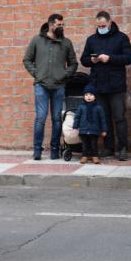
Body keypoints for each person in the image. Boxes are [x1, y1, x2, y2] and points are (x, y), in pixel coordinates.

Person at [23, 13, 78, 160]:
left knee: (57, 119)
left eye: (62, 25)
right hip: (41, 85)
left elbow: (73, 63)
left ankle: (55, 150)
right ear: (50, 25)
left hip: (59, 86)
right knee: (40, 118)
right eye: (58, 25)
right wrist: (37, 73)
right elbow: (27, 59)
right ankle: (37, 150)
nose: (61, 27)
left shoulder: (66, 43)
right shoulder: (37, 40)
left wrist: (65, 74)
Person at [81, 11, 131, 161]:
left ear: (110, 22)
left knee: (119, 117)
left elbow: (128, 58)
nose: (101, 27)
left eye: (103, 25)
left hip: (116, 86)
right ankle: (108, 147)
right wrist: (92, 61)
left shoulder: (121, 38)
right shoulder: (91, 40)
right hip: (98, 85)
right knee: (104, 118)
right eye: (99, 26)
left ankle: (122, 148)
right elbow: (84, 59)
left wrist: (110, 58)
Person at [72, 84, 107, 164]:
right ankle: (85, 156)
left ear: (95, 96)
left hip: (94, 129)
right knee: (85, 144)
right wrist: (75, 127)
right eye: (86, 95)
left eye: (91, 94)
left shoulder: (98, 107)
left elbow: (102, 119)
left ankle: (95, 156)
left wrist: (104, 129)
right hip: (83, 130)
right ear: (84, 96)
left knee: (94, 144)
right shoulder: (81, 106)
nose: (88, 97)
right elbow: (77, 117)